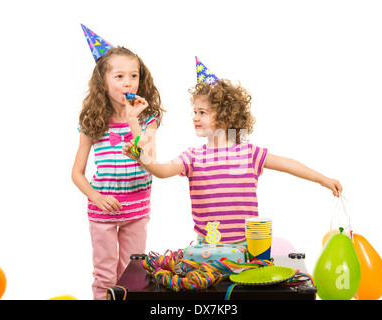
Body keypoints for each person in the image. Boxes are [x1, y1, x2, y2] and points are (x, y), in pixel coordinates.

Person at [122, 58, 341, 245]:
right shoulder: (193, 157)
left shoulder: (249, 153)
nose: (195, 117)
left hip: (246, 244)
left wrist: (322, 179)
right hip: (207, 245)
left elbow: (288, 164)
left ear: (226, 117)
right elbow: (161, 170)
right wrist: (140, 151)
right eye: (195, 111)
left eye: (202, 112)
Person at [72, 25, 164, 299]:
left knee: (133, 274)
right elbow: (77, 173)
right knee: (104, 273)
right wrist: (96, 197)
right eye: (120, 76)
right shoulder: (92, 122)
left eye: (133, 76)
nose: (128, 82)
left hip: (136, 208)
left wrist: (134, 120)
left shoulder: (148, 120)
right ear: (103, 81)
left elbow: (147, 158)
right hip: (103, 210)